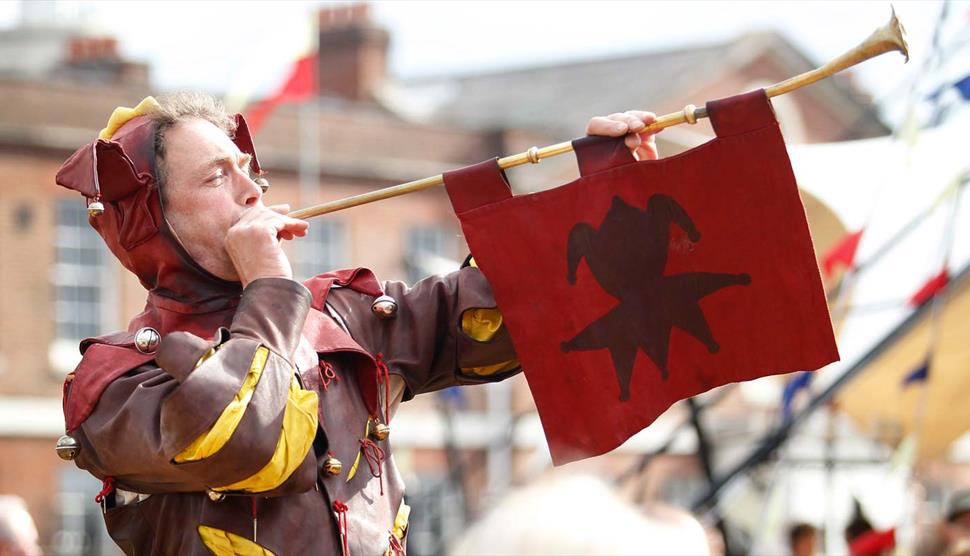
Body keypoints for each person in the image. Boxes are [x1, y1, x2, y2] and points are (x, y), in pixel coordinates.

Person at [53, 91, 659, 555]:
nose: (251, 190)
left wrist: (597, 192)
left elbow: (514, 308)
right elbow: (252, 442)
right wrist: (271, 284)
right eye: (217, 177)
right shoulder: (112, 379)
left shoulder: (342, 314)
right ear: (150, 219)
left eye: (246, 169)